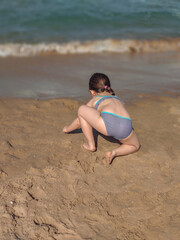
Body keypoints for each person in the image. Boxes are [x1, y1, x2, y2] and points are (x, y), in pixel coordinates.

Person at [62, 73, 140, 165]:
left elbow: (80, 120)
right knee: (135, 145)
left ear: (92, 92)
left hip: (109, 125)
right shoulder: (117, 99)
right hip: (126, 125)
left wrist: (67, 129)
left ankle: (91, 145)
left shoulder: (95, 99)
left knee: (82, 110)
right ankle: (115, 152)